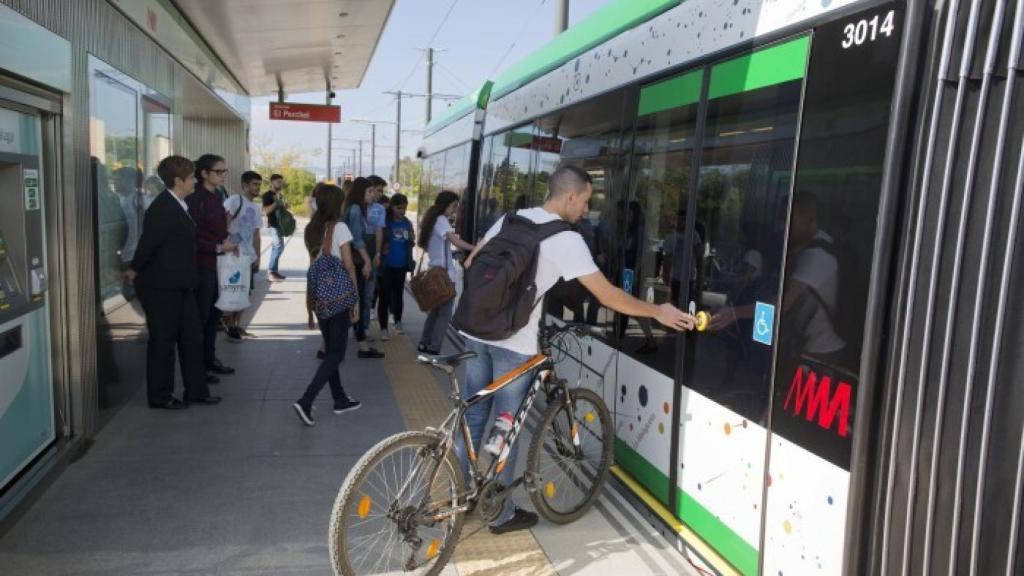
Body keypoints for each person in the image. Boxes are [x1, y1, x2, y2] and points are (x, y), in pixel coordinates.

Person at [457, 165, 695, 534]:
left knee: (472, 420)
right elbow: (608, 295)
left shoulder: (510, 218)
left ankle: (463, 498)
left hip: (475, 334)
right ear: (570, 196)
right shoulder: (566, 240)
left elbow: (472, 263)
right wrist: (657, 311)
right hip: (514, 346)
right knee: (506, 428)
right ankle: (499, 512)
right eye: (585, 201)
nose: (586, 210)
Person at [125, 155, 222, 409]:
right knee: (163, 342)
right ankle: (160, 396)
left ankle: (196, 391)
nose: (194, 182)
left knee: (192, 338)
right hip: (161, 287)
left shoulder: (180, 203)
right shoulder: (162, 208)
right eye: (191, 178)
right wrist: (134, 269)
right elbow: (148, 244)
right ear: (178, 181)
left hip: (182, 284)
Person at [293, 184, 362, 426]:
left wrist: (310, 302)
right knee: (336, 354)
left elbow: (314, 264)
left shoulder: (312, 228)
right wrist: (355, 300)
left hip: (319, 297)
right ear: (336, 204)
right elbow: (349, 265)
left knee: (331, 351)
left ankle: (340, 399)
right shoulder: (339, 228)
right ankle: (306, 400)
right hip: (339, 299)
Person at [186, 154, 238, 383]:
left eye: (224, 172)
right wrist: (219, 246)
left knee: (214, 315)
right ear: (204, 173)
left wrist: (228, 242)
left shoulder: (217, 196)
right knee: (202, 316)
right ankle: (199, 368)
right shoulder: (196, 199)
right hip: (203, 265)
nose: (222, 175)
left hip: (218, 264)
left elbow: (218, 228)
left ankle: (210, 359)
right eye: (218, 171)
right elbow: (192, 237)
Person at [417, 190, 475, 355]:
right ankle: (434, 347)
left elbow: (438, 247)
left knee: (435, 312)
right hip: (444, 276)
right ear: (445, 205)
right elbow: (455, 240)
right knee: (444, 314)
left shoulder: (432, 219)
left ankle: (424, 343)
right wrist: (476, 248)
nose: (455, 210)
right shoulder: (442, 220)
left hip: (434, 271)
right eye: (453, 206)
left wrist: (453, 254)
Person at [344, 177, 385, 359]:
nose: (373, 195)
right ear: (361, 193)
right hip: (357, 261)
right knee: (357, 301)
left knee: (357, 300)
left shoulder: (358, 209)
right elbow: (357, 239)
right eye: (369, 192)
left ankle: (361, 344)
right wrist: (368, 260)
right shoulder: (355, 210)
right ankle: (360, 345)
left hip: (358, 260)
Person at [222, 170, 263, 341]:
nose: (257, 188)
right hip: (233, 255)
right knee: (234, 292)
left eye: (259, 185)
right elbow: (223, 225)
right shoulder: (234, 201)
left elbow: (255, 234)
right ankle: (230, 326)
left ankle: (238, 326)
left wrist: (258, 256)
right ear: (244, 185)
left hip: (248, 256)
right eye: (254, 184)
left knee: (245, 293)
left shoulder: (256, 207)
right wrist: (226, 246)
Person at [378, 193, 413, 340]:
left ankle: (398, 321)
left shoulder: (407, 223)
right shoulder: (385, 223)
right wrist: (381, 250)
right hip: (386, 266)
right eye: (399, 208)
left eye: (404, 208)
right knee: (384, 297)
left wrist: (411, 240)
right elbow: (377, 240)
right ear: (392, 207)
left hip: (401, 265)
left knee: (398, 295)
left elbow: (410, 243)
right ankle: (383, 327)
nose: (402, 211)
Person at [363, 175, 388, 333]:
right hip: (354, 251)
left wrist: (377, 254)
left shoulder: (379, 209)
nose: (378, 194)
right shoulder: (355, 207)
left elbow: (379, 231)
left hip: (372, 251)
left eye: (380, 191)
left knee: (368, 293)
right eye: (376, 190)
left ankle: (363, 330)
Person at [262, 173, 286, 282]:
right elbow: (266, 211)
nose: (280, 184)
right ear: (272, 182)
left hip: (280, 225)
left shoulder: (279, 195)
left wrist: (284, 206)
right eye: (278, 182)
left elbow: (280, 209)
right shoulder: (267, 195)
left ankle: (274, 271)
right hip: (273, 225)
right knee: (278, 247)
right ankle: (271, 272)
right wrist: (276, 203)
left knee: (277, 247)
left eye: (281, 182)